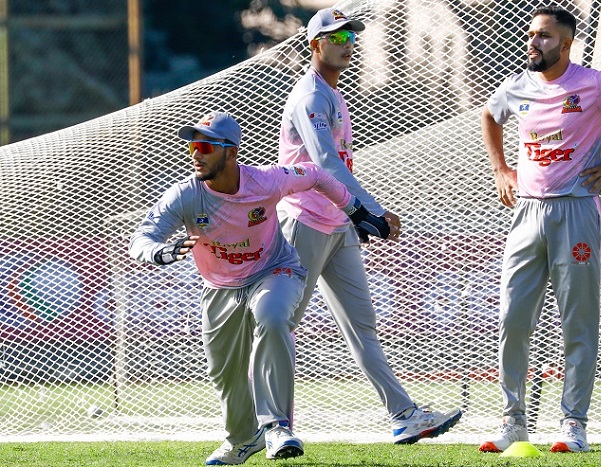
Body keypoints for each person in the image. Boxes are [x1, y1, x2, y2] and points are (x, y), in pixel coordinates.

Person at [129, 111, 392, 464]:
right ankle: (241, 440)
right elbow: (141, 240)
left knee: (272, 315)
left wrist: (356, 211)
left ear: (231, 153)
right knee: (226, 374)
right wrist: (160, 252)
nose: (196, 153)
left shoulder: (266, 181)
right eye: (193, 144)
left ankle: (277, 426)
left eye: (206, 145)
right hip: (219, 287)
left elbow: (315, 174)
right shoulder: (184, 195)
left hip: (274, 270)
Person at [478, 5, 601, 454]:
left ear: (566, 44)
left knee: (578, 321)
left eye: (544, 37)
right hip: (526, 212)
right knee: (512, 318)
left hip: (578, 211)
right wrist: (500, 168)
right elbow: (489, 116)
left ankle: (573, 424)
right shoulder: (517, 86)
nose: (534, 42)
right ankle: (513, 422)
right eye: (531, 35)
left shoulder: (594, 83)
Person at [276, 7, 462, 444]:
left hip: (336, 225)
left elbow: (335, 166)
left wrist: (354, 214)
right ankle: (270, 425)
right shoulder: (310, 96)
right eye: (336, 37)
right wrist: (371, 211)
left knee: (362, 326)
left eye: (350, 37)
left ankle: (404, 415)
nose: (345, 44)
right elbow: (324, 164)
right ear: (314, 44)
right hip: (303, 223)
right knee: (279, 327)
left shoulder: (333, 93)